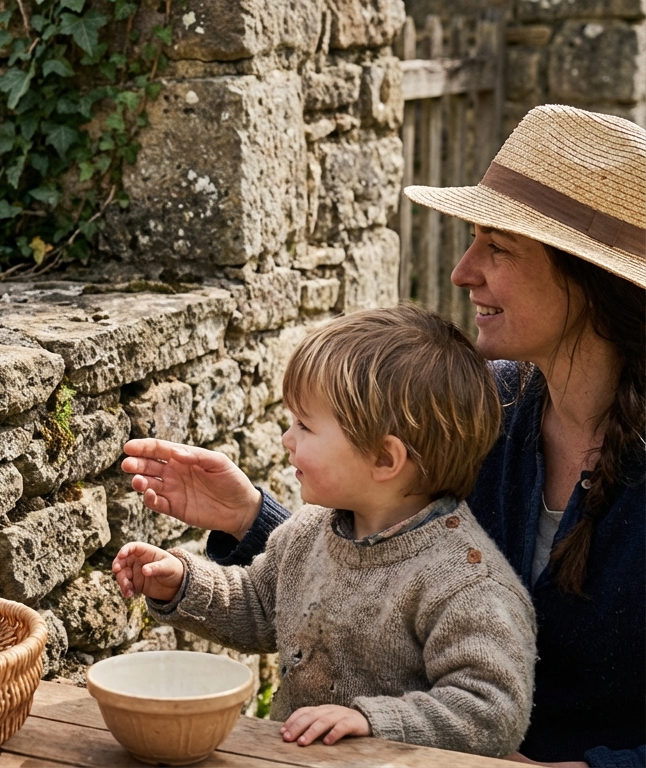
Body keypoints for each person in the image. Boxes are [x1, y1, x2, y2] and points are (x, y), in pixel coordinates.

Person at [121, 105, 644, 766]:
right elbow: (392, 569)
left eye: (498, 246)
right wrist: (250, 517)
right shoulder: (492, 408)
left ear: (590, 280)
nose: (462, 270)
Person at [113, 304, 536, 755]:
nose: (286, 438)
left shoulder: (466, 584)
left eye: (305, 425)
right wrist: (181, 584)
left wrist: (372, 720)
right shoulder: (311, 531)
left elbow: (491, 712)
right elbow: (259, 604)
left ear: (383, 459)